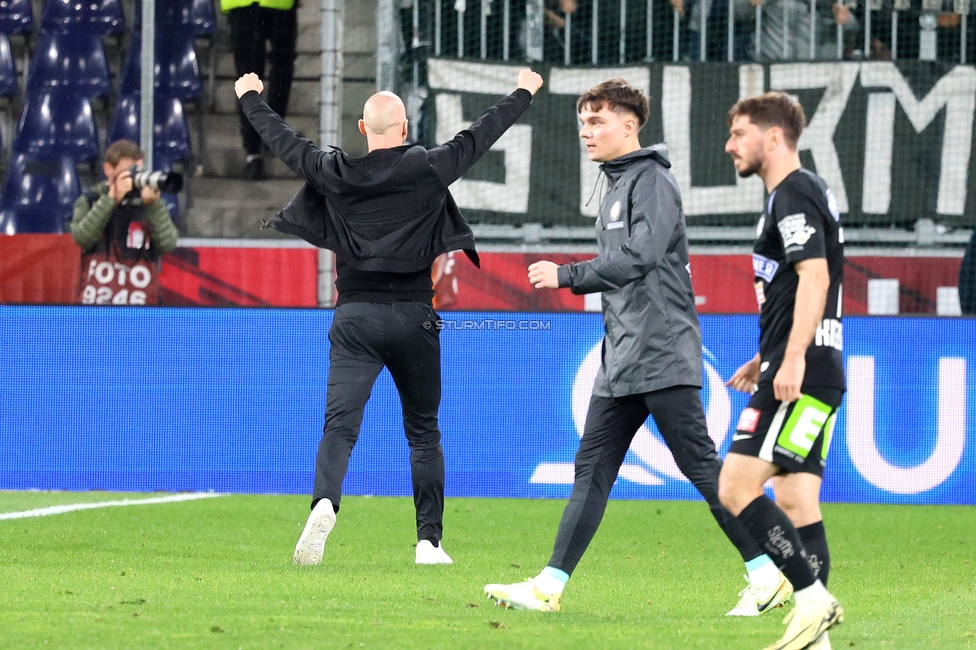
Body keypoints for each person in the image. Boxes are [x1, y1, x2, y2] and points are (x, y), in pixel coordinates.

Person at [483, 78, 789, 616]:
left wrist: (567, 274)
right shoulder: (616, 184)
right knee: (592, 471)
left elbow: (642, 256)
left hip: (662, 352)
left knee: (703, 469)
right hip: (622, 357)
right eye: (583, 121)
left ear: (630, 125)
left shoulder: (651, 181)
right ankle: (548, 586)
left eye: (597, 121)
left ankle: (769, 571)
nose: (586, 131)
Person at [234, 68, 544, 566]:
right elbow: (481, 134)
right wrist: (524, 90)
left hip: (355, 315)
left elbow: (285, 143)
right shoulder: (427, 167)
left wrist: (251, 98)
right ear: (404, 130)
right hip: (415, 317)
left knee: (339, 427)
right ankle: (428, 542)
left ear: (363, 129)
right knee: (423, 431)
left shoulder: (333, 171)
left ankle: (325, 504)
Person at [719, 91, 845, 650]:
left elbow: (815, 277)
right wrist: (768, 355)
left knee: (735, 485)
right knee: (796, 500)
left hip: (803, 369)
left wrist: (789, 359)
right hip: (806, 363)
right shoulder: (794, 194)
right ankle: (812, 638)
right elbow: (796, 291)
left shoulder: (792, 192)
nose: (729, 145)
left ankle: (812, 599)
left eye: (739, 133)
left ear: (773, 137)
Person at [70, 139, 179, 306]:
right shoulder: (90, 200)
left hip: (142, 307)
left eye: (138, 171)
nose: (133, 179)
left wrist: (153, 206)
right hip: (96, 306)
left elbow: (168, 245)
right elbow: (82, 238)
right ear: (108, 169)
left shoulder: (150, 205)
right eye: (128, 173)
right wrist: (111, 199)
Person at [221, 0, 299, 180]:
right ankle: (269, 136)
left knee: (250, 75)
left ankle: (254, 151)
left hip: (246, 6)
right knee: (279, 69)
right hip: (275, 6)